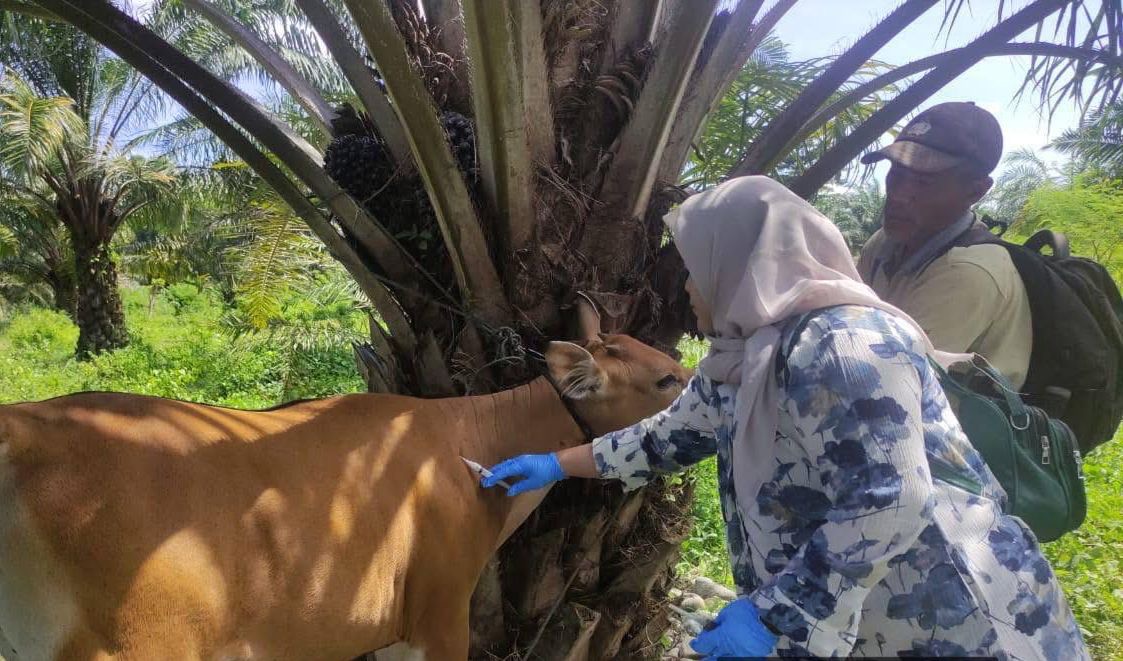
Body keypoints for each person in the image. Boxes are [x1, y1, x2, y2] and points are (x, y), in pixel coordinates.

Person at [482, 176, 1086, 660]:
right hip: (871, 619)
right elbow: (669, 437)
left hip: (955, 618)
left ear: (741, 258)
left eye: (695, 264)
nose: (689, 285)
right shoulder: (749, 355)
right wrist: (553, 465)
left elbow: (892, 499)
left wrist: (779, 613)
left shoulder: (843, 346)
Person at [856, 102, 1033, 388]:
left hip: (951, 428)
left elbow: (881, 380)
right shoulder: (885, 243)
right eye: (897, 173)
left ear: (976, 191)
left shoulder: (967, 272)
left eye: (924, 182)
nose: (899, 195)